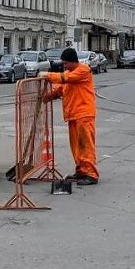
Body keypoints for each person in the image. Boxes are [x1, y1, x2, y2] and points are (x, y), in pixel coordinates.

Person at [44, 47, 99, 185]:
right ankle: (81, 171)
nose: (64, 66)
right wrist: (44, 98)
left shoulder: (83, 70)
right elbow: (59, 89)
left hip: (84, 114)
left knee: (85, 144)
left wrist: (47, 75)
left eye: (65, 63)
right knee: (76, 146)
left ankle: (91, 174)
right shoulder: (68, 73)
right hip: (73, 115)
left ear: (72, 61)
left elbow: (64, 79)